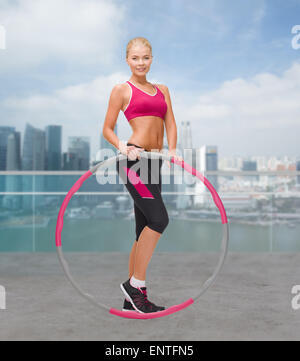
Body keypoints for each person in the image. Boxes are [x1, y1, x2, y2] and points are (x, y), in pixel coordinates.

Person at [102, 37, 182, 314]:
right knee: (159, 220)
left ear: (151, 59)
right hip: (134, 161)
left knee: (142, 230)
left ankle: (133, 299)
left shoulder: (162, 89)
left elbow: (170, 121)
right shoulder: (121, 90)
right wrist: (121, 145)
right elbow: (108, 128)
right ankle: (135, 285)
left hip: (155, 162)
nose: (140, 63)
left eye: (145, 58)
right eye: (135, 58)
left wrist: (173, 150)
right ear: (127, 60)